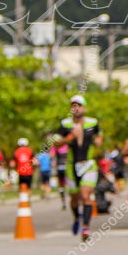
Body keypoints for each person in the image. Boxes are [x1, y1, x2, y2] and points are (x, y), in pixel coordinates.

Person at [51, 95, 103, 242]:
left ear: (84, 108)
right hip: (71, 165)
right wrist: (70, 138)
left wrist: (98, 141)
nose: (76, 108)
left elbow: (99, 135)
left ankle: (86, 228)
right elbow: (56, 143)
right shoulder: (65, 124)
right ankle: (76, 218)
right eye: (73, 105)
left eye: (79, 105)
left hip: (88, 164)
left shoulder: (93, 123)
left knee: (85, 196)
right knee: (74, 199)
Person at [53, 140, 69, 210]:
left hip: (60, 167)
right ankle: (66, 202)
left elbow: (51, 156)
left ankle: (64, 202)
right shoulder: (67, 145)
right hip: (66, 167)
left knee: (61, 185)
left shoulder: (56, 146)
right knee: (67, 185)